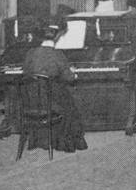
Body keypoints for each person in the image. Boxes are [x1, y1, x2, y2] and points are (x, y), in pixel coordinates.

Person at [21, 20, 88, 152]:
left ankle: (38, 139)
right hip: (51, 104)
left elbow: (26, 72)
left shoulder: (30, 53)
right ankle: (65, 141)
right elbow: (69, 78)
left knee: (59, 93)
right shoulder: (58, 55)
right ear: (57, 37)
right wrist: (73, 72)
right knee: (70, 99)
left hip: (32, 102)